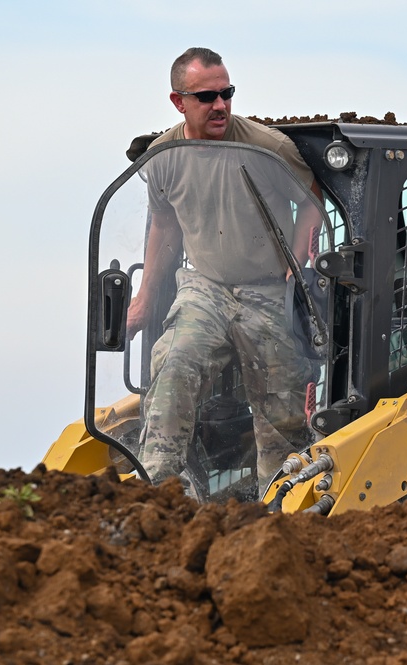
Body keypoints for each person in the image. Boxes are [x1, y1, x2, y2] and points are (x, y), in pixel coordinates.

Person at [126, 47, 325, 498]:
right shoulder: (163, 157)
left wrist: (295, 272)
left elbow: (312, 199)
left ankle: (279, 504)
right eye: (207, 96)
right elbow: (164, 226)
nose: (220, 105)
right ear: (178, 102)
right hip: (206, 287)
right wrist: (142, 299)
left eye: (226, 93)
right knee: (174, 361)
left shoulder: (266, 147)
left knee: (281, 411)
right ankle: (159, 491)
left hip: (268, 288)